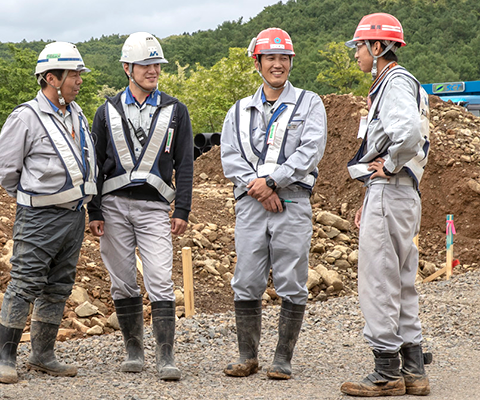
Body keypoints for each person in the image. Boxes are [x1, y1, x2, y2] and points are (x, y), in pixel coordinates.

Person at [220, 27, 327, 380]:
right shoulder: (237, 111)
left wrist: (272, 183)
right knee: (246, 278)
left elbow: (310, 151)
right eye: (271, 58)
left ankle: (282, 359)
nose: (277, 65)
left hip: (292, 202)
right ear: (258, 62)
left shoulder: (309, 103)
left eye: (284, 58)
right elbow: (230, 158)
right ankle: (247, 356)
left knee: (291, 279)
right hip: (251, 205)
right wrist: (261, 189)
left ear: (291, 62)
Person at [87, 32, 193, 381]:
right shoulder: (106, 112)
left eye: (156, 64)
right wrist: (95, 211)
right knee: (122, 282)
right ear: (127, 68)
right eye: (146, 65)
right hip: (114, 207)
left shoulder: (176, 110)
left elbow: (185, 163)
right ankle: (134, 349)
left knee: (161, 280)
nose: (153, 70)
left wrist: (182, 210)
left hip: (154, 210)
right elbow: (96, 166)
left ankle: (166, 356)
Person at [341, 13, 431, 397]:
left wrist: (389, 165)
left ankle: (386, 372)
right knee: (402, 279)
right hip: (405, 193)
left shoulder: (393, 82)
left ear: (378, 47)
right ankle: (413, 370)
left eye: (361, 46)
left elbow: (407, 134)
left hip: (392, 189)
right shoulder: (405, 84)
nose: (358, 53)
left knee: (378, 281)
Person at [0, 42, 97, 384]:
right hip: (39, 217)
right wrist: (33, 198)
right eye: (74, 74)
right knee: (25, 283)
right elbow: (7, 170)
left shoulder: (76, 112)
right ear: (52, 78)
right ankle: (5, 358)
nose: (79, 80)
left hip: (73, 215)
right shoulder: (26, 116)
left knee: (58, 287)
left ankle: (42, 355)